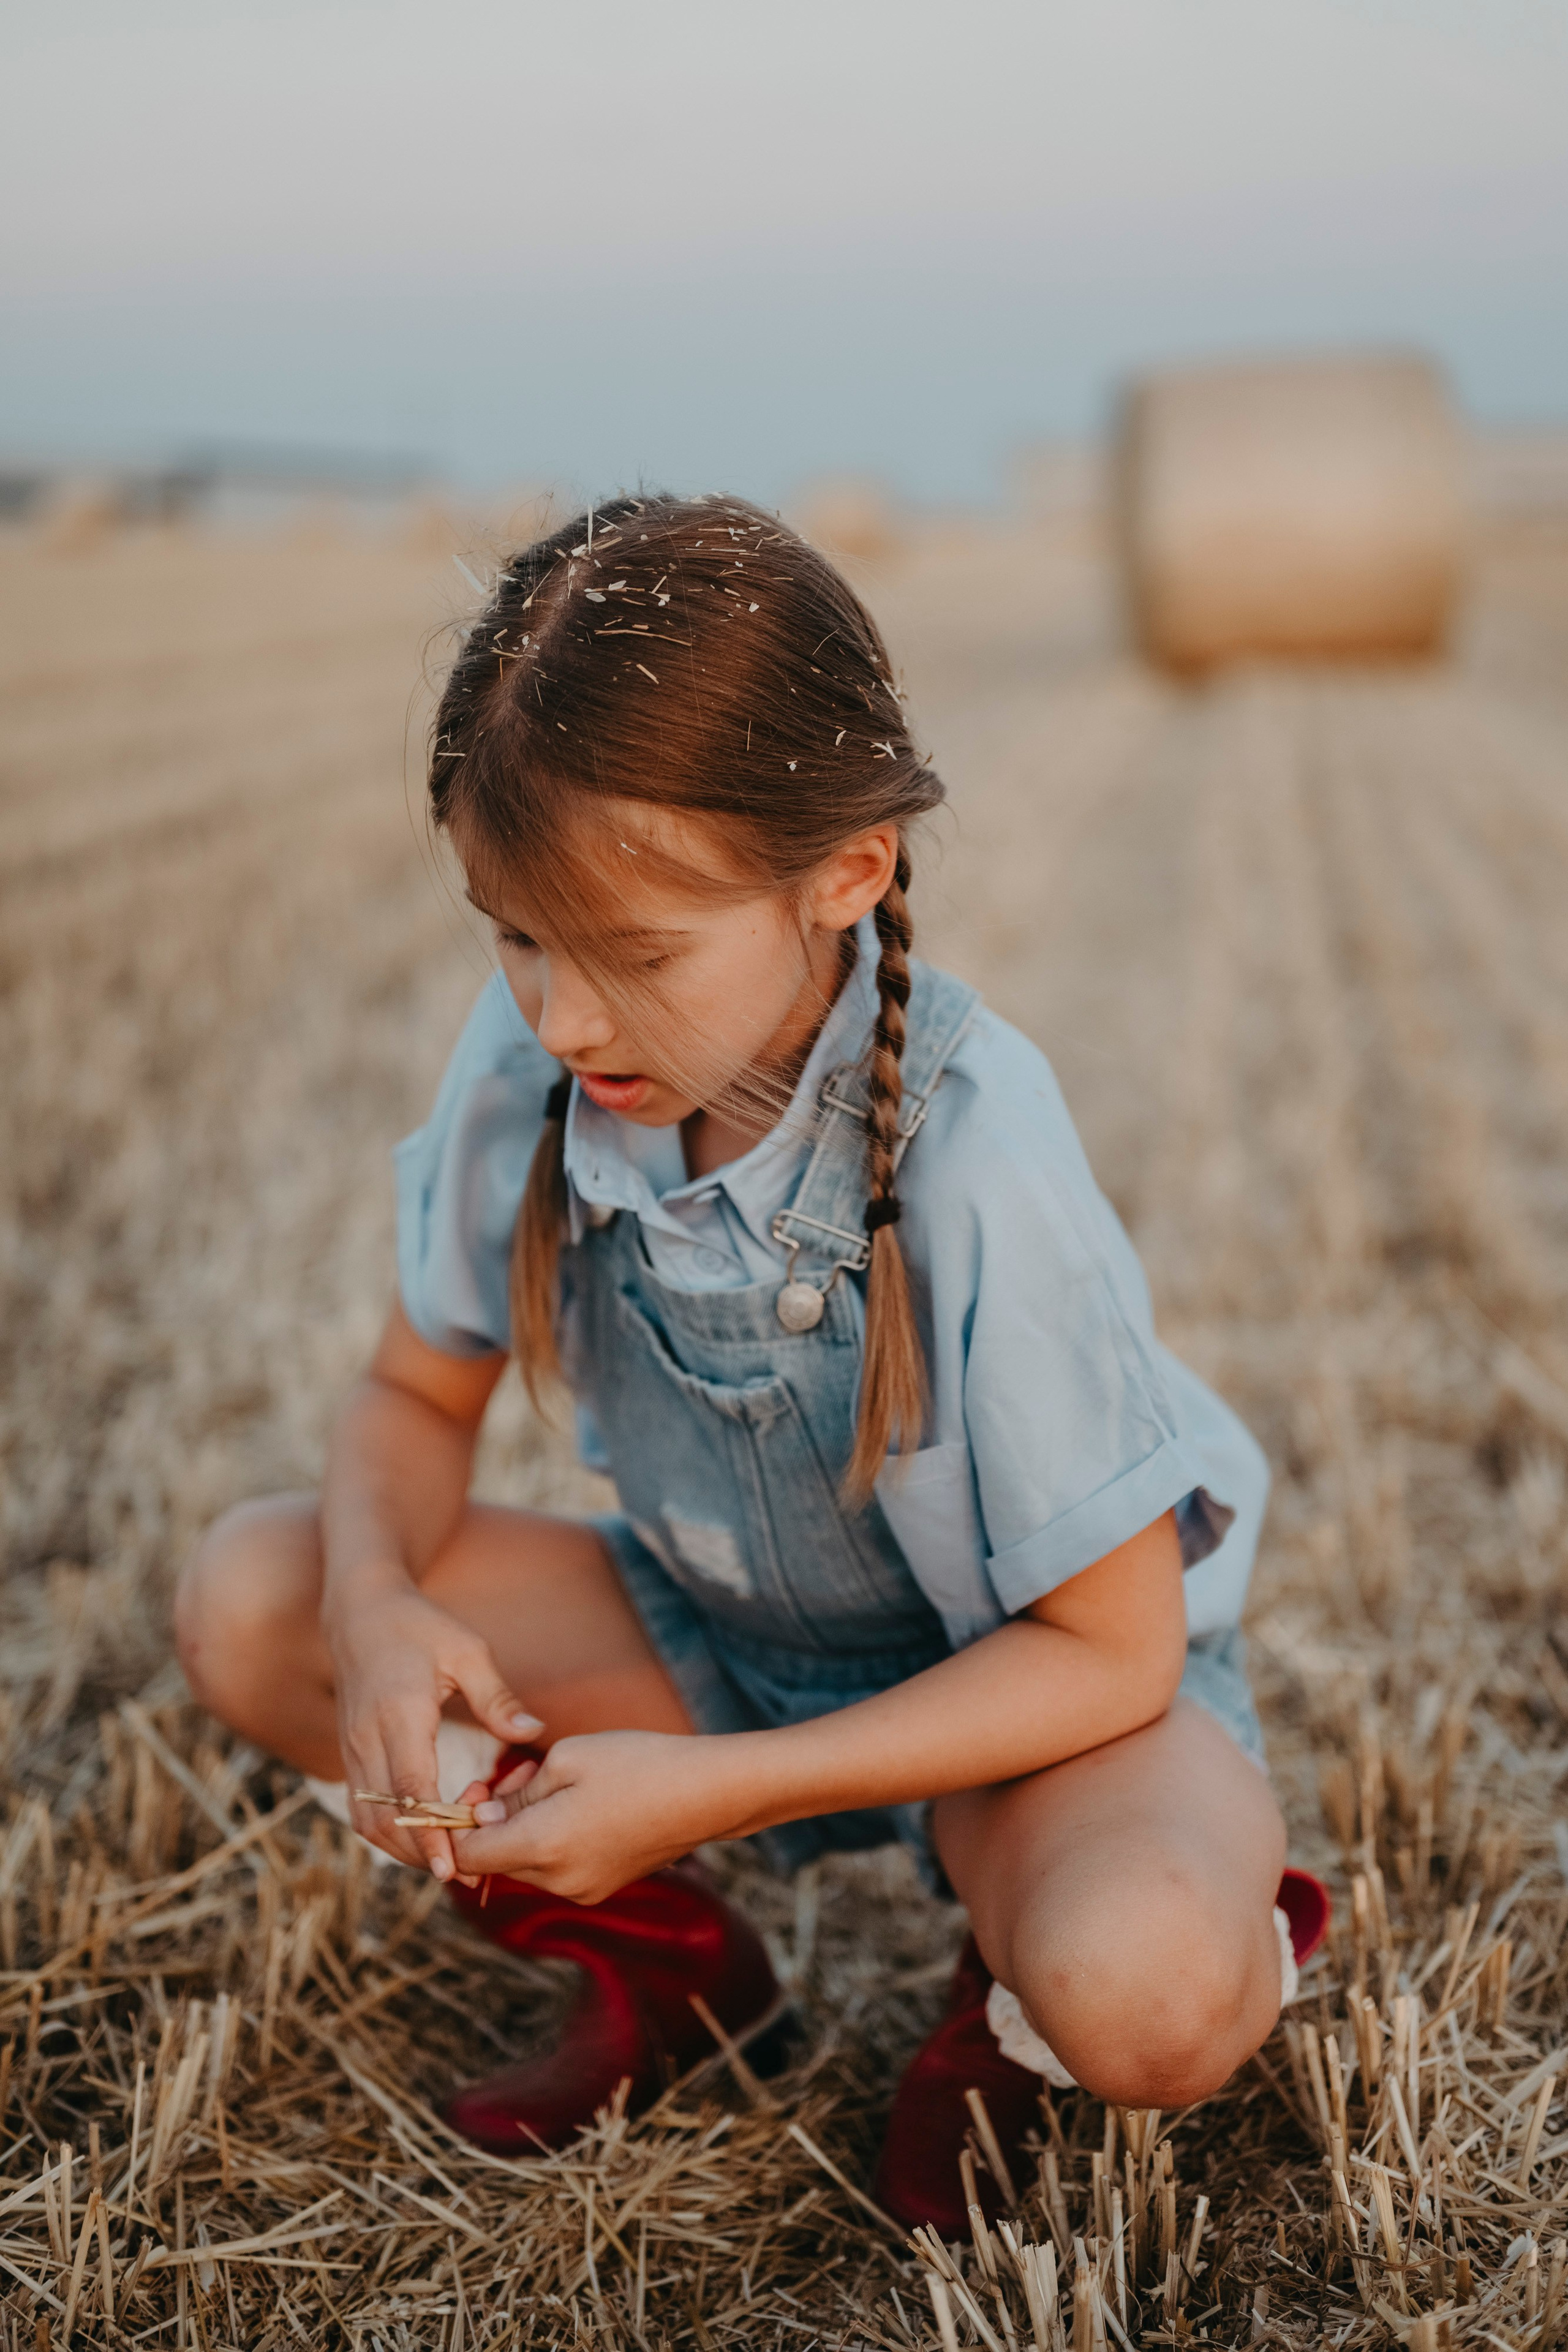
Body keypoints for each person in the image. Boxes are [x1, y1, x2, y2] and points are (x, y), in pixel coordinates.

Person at [176, 492, 1326, 2230]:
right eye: (516, 935)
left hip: (1032, 1707)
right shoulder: (544, 1054)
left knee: (1147, 1994)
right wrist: (374, 1604)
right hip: (718, 1636)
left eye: (635, 952)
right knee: (257, 1597)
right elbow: (413, 1396)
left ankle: (1076, 1963)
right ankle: (676, 1974)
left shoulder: (976, 1151)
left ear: (846, 874)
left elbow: (1110, 1651)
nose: (563, 1016)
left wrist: (708, 1792)